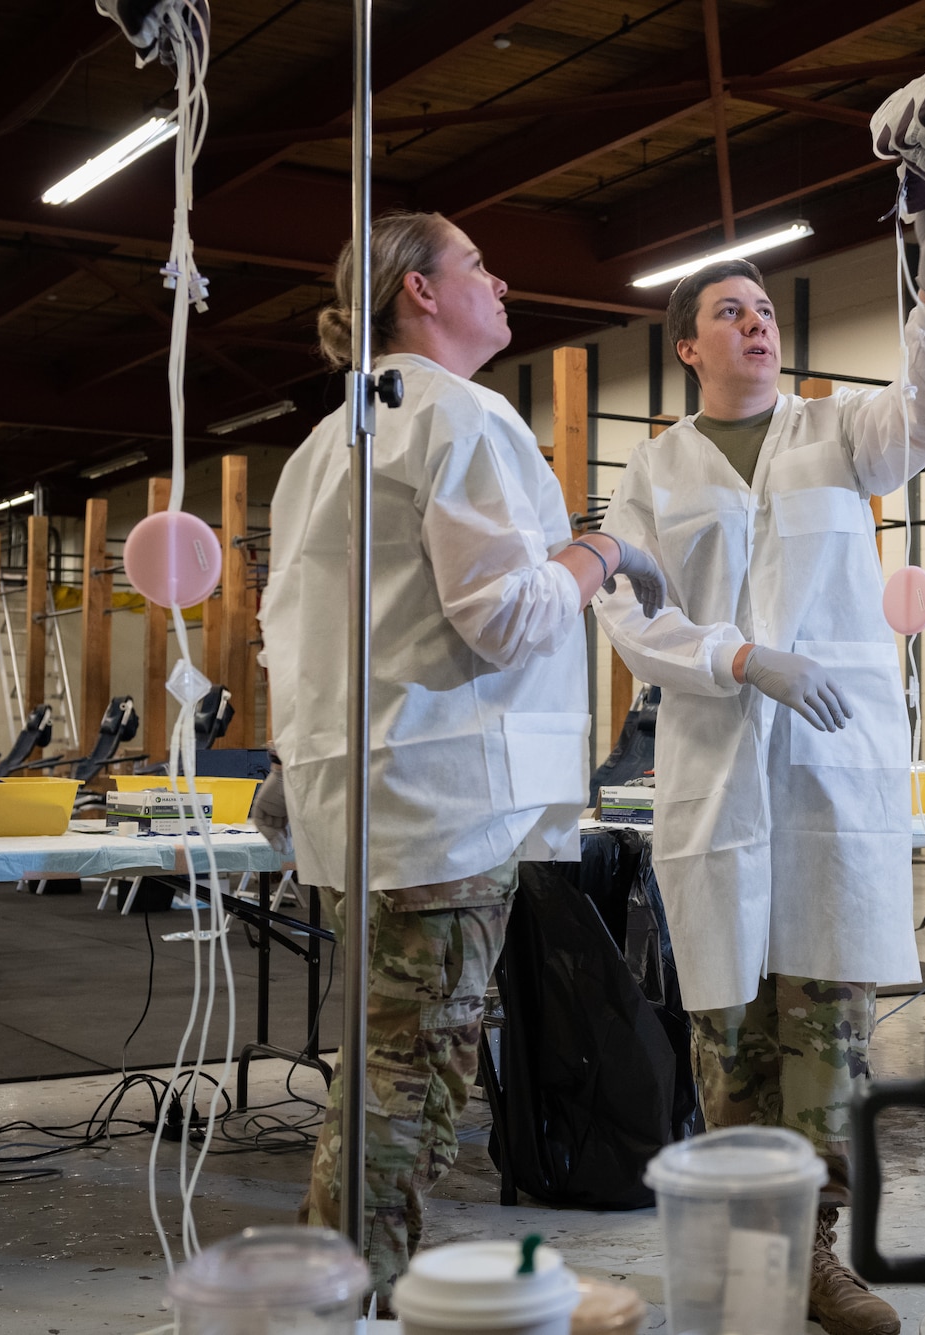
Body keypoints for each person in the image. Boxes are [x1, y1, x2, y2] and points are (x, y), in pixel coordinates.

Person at [253, 209, 664, 1304]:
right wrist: (600, 548)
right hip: (440, 806)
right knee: (408, 1082)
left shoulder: (326, 441)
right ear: (418, 292)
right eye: (476, 264)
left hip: (369, 799)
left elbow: (296, 626)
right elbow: (510, 619)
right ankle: (350, 1298)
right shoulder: (460, 420)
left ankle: (335, 1286)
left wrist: (296, 764)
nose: (502, 282)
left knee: (379, 1072)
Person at [592, 204, 925, 1335]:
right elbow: (627, 611)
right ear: (686, 346)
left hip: (827, 776)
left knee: (830, 1034)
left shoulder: (838, 431)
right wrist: (740, 656)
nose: (756, 325)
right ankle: (744, 1255)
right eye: (730, 311)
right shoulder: (653, 471)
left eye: (765, 310)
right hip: (717, 769)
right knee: (730, 1038)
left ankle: (818, 1262)